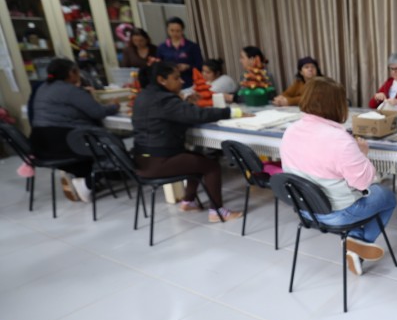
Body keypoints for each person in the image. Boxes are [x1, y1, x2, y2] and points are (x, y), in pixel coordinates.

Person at [280, 77, 397, 276]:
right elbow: (364, 182)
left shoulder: (290, 131)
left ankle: (355, 242)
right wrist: (362, 153)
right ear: (337, 104)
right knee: (387, 196)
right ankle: (358, 242)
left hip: (304, 209)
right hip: (336, 214)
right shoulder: (339, 139)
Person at [132, 61, 244, 222]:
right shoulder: (164, 100)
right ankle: (217, 212)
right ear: (162, 80)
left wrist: (184, 104)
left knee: (198, 159)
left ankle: (188, 202)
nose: (182, 81)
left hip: (142, 159)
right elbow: (197, 115)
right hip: (158, 161)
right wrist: (231, 112)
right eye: (176, 78)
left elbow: (174, 114)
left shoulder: (144, 95)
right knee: (211, 166)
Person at [29, 58, 119, 203]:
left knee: (100, 142)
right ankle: (88, 183)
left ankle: (82, 179)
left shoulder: (43, 88)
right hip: (64, 143)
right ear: (72, 73)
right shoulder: (70, 90)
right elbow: (97, 112)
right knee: (112, 145)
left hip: (41, 143)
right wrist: (115, 106)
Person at [155, 17, 203, 89]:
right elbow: (158, 66)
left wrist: (188, 67)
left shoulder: (192, 46)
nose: (175, 33)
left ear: (182, 31)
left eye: (178, 31)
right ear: (167, 30)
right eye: (172, 30)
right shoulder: (162, 47)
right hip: (170, 84)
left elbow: (200, 66)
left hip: (189, 83)